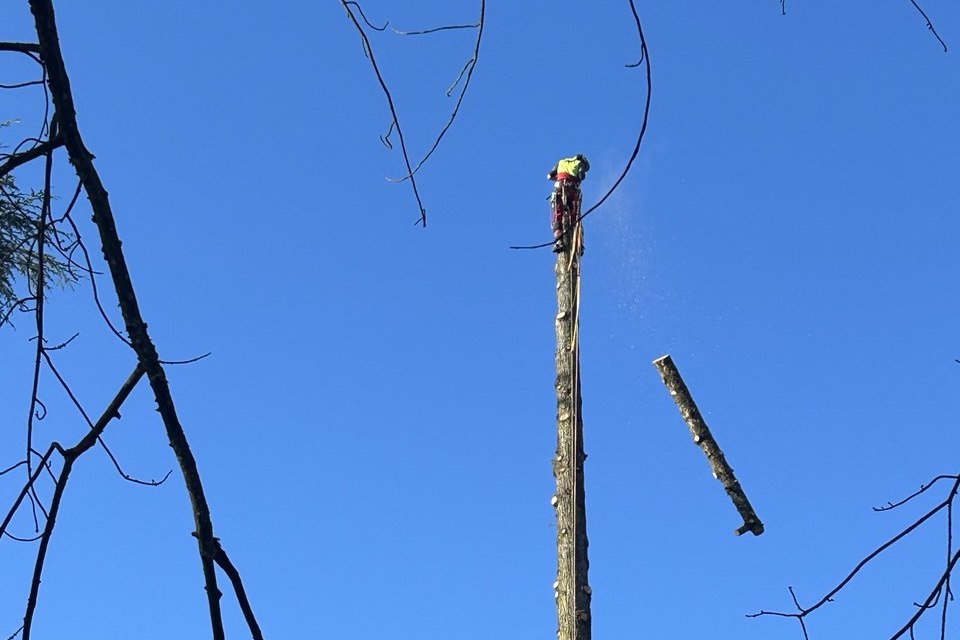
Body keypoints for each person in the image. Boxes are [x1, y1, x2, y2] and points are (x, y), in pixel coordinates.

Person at [547, 154, 590, 253]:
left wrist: (560, 176)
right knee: (575, 218)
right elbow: (581, 176)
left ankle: (558, 242)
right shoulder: (579, 163)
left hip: (559, 190)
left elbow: (549, 176)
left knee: (557, 216)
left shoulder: (561, 162)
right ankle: (579, 244)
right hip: (572, 191)